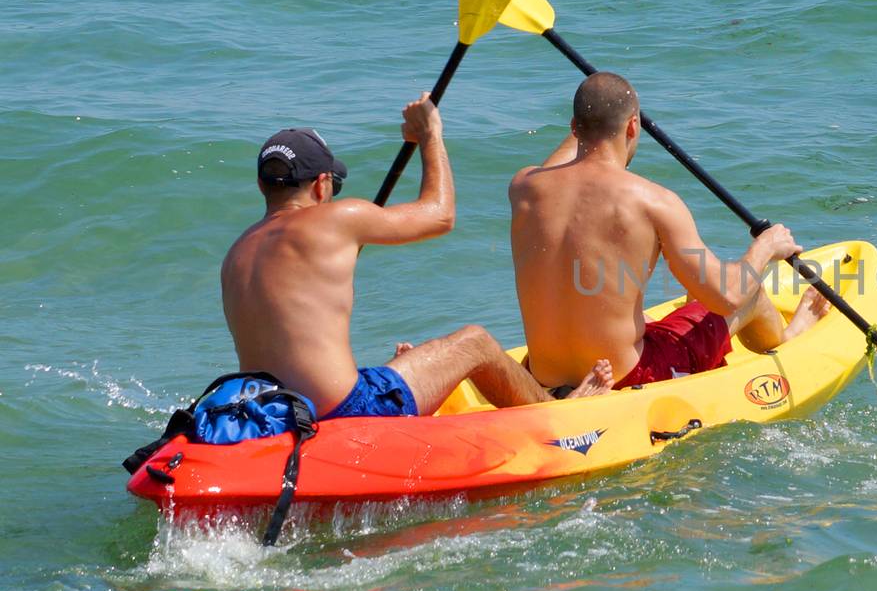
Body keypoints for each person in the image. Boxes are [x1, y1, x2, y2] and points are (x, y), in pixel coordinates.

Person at [222, 94, 612, 420]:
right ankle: (563, 414)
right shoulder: (333, 218)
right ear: (323, 185)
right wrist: (430, 134)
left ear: (262, 185)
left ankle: (406, 376)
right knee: (475, 343)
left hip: (274, 412)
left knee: (410, 358)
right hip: (346, 408)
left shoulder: (237, 253)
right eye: (334, 185)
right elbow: (440, 216)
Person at [508, 72, 830, 391]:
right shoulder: (654, 202)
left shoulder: (524, 187)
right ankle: (790, 336)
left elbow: (566, 156)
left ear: (575, 127)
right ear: (634, 126)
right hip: (627, 379)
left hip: (542, 381)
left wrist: (595, 112)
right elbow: (727, 297)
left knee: (681, 300)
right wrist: (767, 245)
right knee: (749, 292)